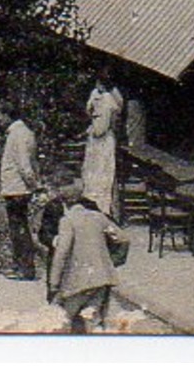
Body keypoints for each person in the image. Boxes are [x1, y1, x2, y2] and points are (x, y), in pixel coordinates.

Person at [48, 183, 129, 333]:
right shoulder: (98, 217)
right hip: (102, 278)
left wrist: (54, 282)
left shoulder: (68, 221)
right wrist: (114, 260)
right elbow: (123, 238)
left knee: (61, 319)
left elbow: (62, 253)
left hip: (78, 280)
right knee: (93, 319)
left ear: (65, 203)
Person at [0, 103, 42, 281]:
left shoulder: (18, 135)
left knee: (20, 230)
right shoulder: (24, 133)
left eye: (1, 115)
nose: (0, 120)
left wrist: (33, 185)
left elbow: (25, 165)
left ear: (8, 115)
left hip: (17, 188)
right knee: (18, 228)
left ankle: (25, 269)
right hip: (16, 187)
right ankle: (20, 266)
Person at [82, 77, 124, 218]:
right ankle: (93, 204)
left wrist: (95, 124)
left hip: (104, 142)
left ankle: (103, 209)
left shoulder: (108, 100)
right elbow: (89, 110)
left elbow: (101, 128)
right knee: (92, 174)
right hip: (96, 143)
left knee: (103, 175)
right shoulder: (96, 95)